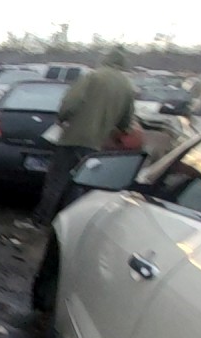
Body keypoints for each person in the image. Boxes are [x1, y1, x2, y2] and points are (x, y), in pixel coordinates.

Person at [33, 48, 136, 224]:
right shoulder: (127, 86)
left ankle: (41, 219)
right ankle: (68, 223)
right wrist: (120, 132)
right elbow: (126, 119)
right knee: (79, 184)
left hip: (72, 137)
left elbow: (70, 102)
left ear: (106, 59)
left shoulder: (92, 77)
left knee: (56, 181)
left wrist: (62, 118)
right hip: (96, 144)